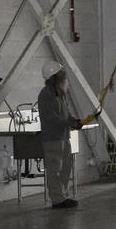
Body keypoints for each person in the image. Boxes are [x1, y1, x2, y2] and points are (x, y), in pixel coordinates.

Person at [38, 60, 88, 209]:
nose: (65, 79)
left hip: (64, 137)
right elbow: (51, 117)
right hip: (52, 139)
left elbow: (66, 114)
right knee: (55, 169)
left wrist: (76, 121)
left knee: (66, 167)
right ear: (55, 78)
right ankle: (57, 199)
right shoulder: (45, 95)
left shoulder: (60, 94)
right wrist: (69, 123)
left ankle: (63, 195)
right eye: (62, 76)